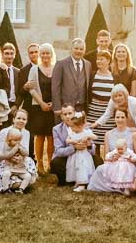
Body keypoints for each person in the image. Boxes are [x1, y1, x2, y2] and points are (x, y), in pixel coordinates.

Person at [0, 108, 38, 193]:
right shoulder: (4, 132)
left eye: (24, 119)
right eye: (19, 118)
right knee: (4, 173)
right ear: (13, 119)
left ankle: (21, 183)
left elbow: (26, 152)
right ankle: (11, 184)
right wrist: (9, 156)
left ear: (27, 121)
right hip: (3, 159)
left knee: (29, 162)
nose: (21, 121)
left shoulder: (26, 133)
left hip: (19, 160)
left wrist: (20, 157)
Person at [87, 109, 136, 194]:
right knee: (100, 169)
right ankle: (116, 187)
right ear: (114, 118)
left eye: (122, 117)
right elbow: (106, 156)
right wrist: (112, 158)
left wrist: (131, 159)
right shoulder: (108, 134)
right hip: (113, 163)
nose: (120, 120)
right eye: (117, 117)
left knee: (124, 171)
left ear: (127, 118)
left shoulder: (133, 134)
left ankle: (123, 187)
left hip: (128, 164)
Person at [24, 43, 57, 171]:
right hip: (38, 107)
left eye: (47, 53)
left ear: (51, 54)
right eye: (42, 53)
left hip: (53, 107)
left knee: (51, 136)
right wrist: (42, 103)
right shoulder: (34, 69)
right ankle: (40, 165)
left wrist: (54, 102)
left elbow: (59, 87)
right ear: (40, 55)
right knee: (40, 136)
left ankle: (50, 163)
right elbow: (31, 90)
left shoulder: (56, 68)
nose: (45, 55)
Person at [51, 104, 101, 185]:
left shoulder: (82, 125)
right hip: (67, 157)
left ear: (74, 113)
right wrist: (74, 148)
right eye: (65, 114)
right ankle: (67, 180)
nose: (68, 116)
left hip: (83, 156)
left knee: (98, 160)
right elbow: (58, 151)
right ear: (61, 117)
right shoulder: (57, 129)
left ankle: (88, 179)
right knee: (55, 162)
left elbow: (93, 150)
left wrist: (89, 145)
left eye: (70, 113)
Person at [85, 49, 118, 147]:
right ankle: (96, 161)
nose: (98, 61)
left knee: (108, 140)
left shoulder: (114, 76)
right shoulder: (92, 75)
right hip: (93, 111)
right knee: (94, 140)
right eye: (97, 59)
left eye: (102, 59)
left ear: (108, 61)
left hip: (108, 111)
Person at [52, 38, 90, 112]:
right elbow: (55, 88)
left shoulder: (88, 64)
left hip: (82, 107)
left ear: (84, 51)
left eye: (81, 49)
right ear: (71, 49)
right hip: (65, 108)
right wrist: (57, 107)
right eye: (76, 48)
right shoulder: (61, 64)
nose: (78, 51)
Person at [64, 112, 96, 191]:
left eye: (73, 127)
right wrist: (73, 141)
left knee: (82, 167)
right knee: (75, 168)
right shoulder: (72, 133)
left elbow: (95, 137)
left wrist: (88, 137)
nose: (72, 129)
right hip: (75, 155)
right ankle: (77, 182)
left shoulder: (85, 132)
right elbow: (67, 140)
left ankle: (82, 184)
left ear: (80, 126)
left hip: (83, 155)